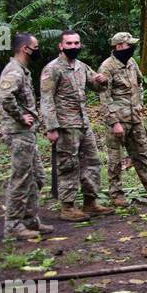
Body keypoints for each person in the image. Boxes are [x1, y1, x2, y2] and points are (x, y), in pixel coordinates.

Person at [40, 30, 113, 222]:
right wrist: (51, 128)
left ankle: (91, 202)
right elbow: (46, 100)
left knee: (92, 162)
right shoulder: (52, 69)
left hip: (83, 124)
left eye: (76, 43)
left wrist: (102, 81)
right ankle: (67, 206)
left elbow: (95, 85)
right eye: (69, 43)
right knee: (68, 166)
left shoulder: (81, 67)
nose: (73, 47)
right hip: (65, 125)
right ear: (61, 46)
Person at [96, 32, 147, 208]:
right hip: (118, 121)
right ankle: (116, 194)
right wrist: (114, 122)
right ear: (118, 47)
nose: (131, 47)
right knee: (115, 160)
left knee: (143, 156)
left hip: (135, 119)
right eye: (128, 44)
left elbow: (139, 84)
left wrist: (139, 104)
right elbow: (105, 98)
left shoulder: (132, 63)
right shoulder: (107, 68)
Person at [0, 33, 52, 240]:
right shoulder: (13, 71)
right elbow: (4, 96)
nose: (38, 49)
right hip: (17, 132)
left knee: (37, 176)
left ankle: (30, 219)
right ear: (24, 49)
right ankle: (12, 226)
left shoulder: (23, 71)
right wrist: (21, 117)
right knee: (20, 179)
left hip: (27, 134)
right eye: (35, 46)